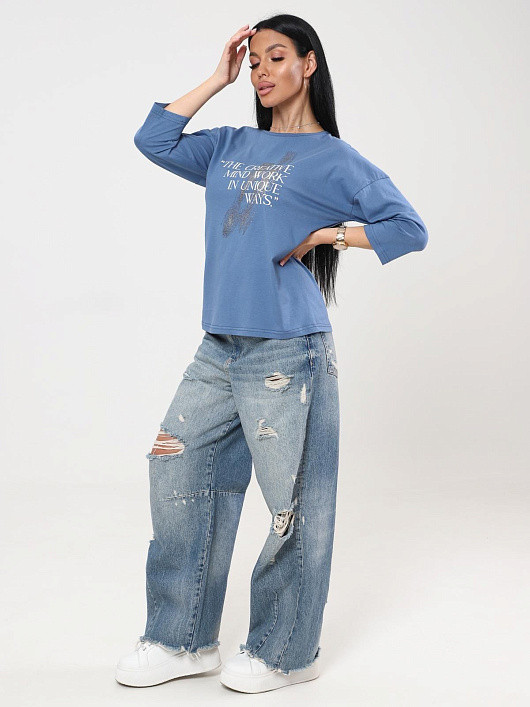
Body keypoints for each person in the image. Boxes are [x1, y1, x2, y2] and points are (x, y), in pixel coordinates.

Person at [115, 13, 428, 694]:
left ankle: (286, 651)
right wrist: (218, 78)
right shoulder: (228, 144)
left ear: (309, 64)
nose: (261, 71)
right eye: (254, 60)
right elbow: (153, 138)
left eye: (275, 56)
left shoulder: (335, 160)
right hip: (218, 348)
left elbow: (409, 227)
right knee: (177, 473)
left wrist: (327, 235)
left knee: (295, 505)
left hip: (289, 354)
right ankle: (181, 638)